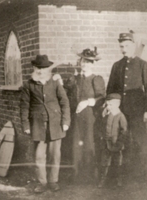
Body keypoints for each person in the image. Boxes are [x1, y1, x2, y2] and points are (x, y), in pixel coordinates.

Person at [20, 55, 71, 193]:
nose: (41, 71)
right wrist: (25, 125)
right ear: (34, 68)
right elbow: (24, 106)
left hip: (55, 123)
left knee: (55, 155)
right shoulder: (28, 85)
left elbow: (64, 102)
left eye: (44, 68)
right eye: (38, 68)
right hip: (37, 124)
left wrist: (66, 121)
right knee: (39, 156)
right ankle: (42, 182)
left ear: (48, 69)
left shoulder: (55, 83)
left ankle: (53, 181)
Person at [106, 32, 147, 176]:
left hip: (138, 112)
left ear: (133, 45)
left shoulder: (143, 64)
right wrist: (112, 106)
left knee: (140, 141)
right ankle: (122, 175)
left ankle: (145, 175)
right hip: (120, 112)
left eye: (126, 45)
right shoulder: (117, 66)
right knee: (121, 141)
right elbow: (110, 90)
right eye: (121, 46)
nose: (124, 49)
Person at [64, 47, 105, 183]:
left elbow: (101, 97)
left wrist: (88, 102)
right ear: (80, 62)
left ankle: (90, 176)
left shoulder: (96, 79)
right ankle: (76, 175)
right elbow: (65, 94)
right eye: (83, 61)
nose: (85, 64)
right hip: (76, 116)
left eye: (88, 62)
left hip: (89, 117)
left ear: (92, 64)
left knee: (89, 143)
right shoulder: (74, 79)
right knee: (76, 144)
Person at [98, 93, 127, 188]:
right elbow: (102, 127)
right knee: (104, 163)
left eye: (111, 105)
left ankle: (118, 180)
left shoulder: (120, 116)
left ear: (118, 104)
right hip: (106, 143)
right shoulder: (105, 115)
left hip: (116, 144)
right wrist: (102, 137)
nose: (108, 107)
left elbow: (124, 131)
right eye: (107, 104)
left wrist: (120, 143)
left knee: (117, 163)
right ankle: (102, 180)